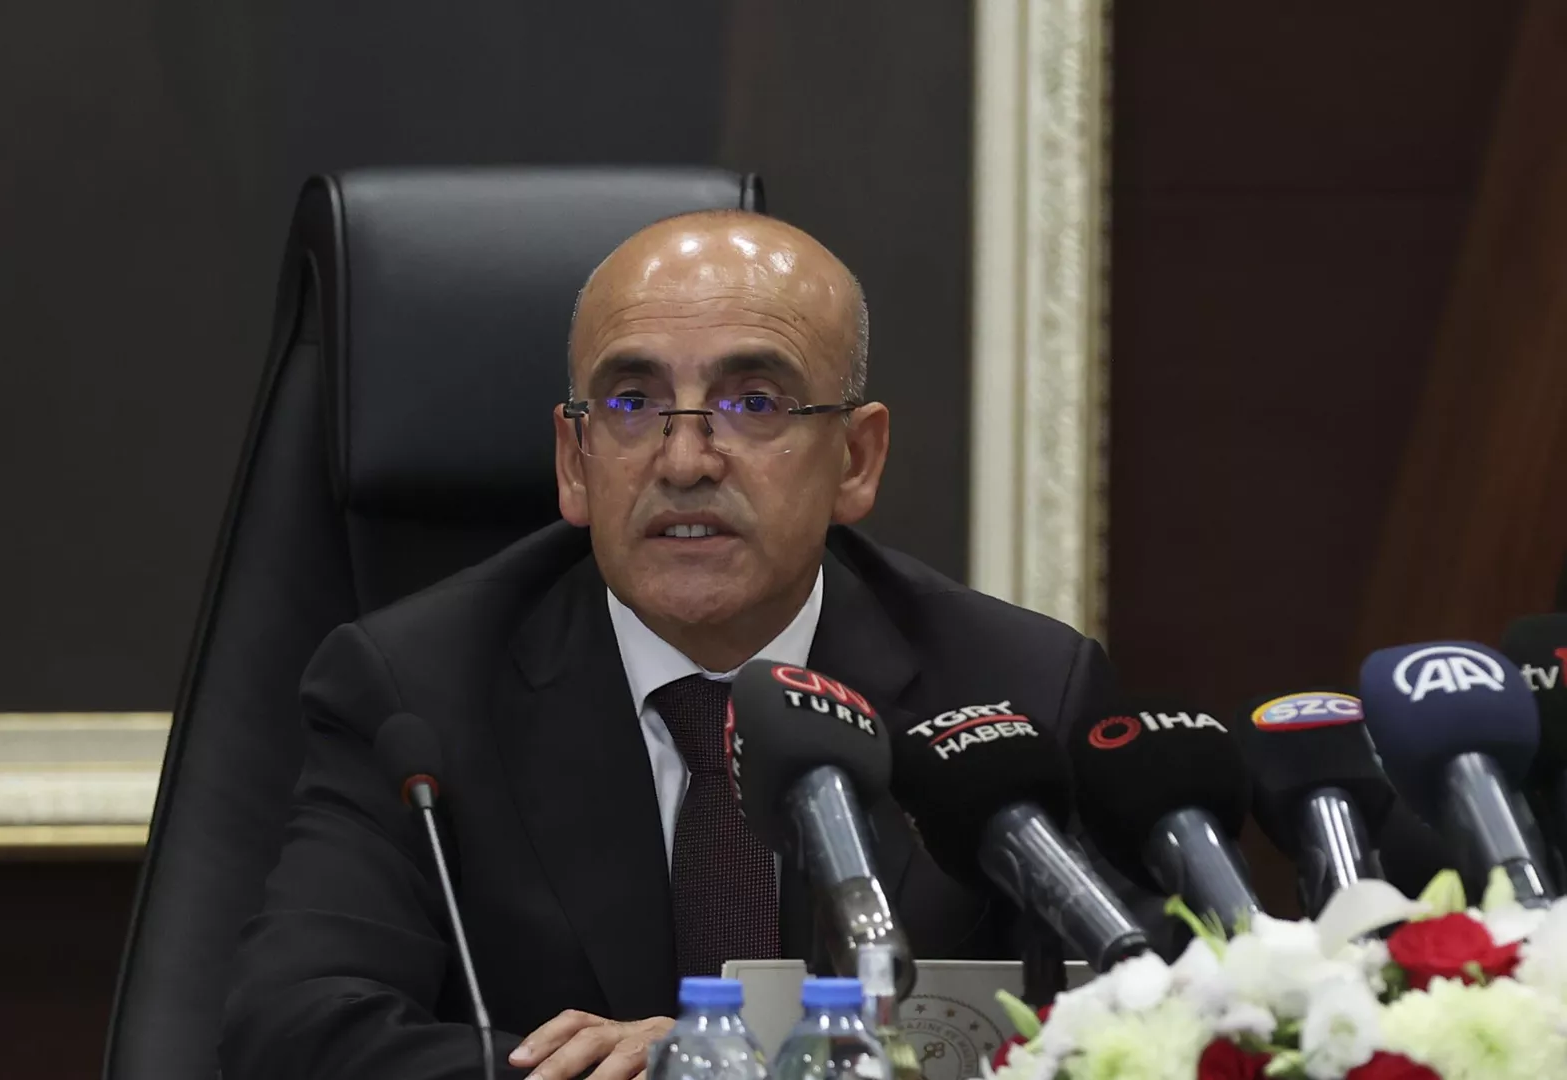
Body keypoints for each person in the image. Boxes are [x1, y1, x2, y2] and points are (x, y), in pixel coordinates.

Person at [220, 211, 1120, 1080]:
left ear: (855, 458)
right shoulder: (414, 693)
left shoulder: (1018, 690)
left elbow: (1141, 1018)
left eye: (754, 402)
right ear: (574, 459)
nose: (685, 461)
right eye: (632, 402)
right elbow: (294, 1029)